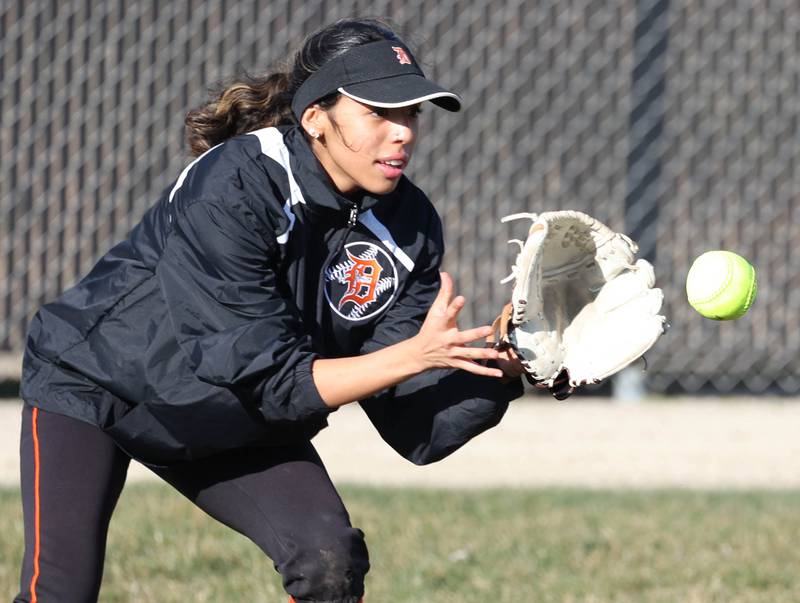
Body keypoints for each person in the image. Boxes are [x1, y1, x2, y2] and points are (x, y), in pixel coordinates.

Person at [15, 18, 525, 603]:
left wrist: (505, 367)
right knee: (60, 591)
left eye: (411, 113)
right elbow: (268, 374)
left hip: (236, 413)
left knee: (328, 562)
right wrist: (414, 355)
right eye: (378, 112)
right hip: (100, 385)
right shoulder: (235, 182)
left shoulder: (407, 226)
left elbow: (417, 425)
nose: (402, 132)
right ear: (315, 119)